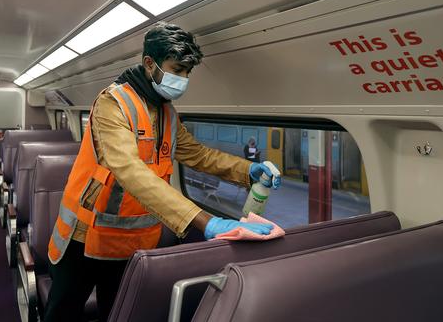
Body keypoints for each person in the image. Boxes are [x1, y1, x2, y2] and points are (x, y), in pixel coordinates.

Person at [44, 22, 282, 321]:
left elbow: (197, 154)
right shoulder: (112, 103)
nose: (183, 79)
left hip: (132, 242)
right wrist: (206, 222)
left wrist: (248, 170)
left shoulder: (166, 111)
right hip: (83, 238)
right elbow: (130, 171)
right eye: (177, 69)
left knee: (117, 314)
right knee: (62, 314)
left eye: (187, 73)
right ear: (149, 63)